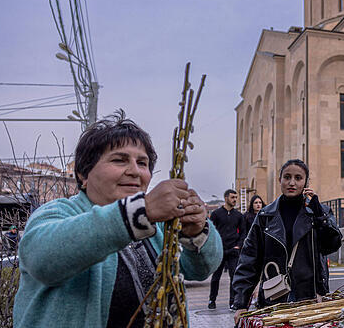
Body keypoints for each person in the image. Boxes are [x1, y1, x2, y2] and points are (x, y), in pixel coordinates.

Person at [12, 111, 222, 328]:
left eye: (142, 163)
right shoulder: (60, 213)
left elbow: (199, 270)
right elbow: (43, 260)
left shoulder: (157, 226)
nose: (135, 171)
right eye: (119, 160)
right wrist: (140, 211)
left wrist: (195, 232)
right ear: (83, 175)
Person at [232, 159, 342, 323]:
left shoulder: (318, 212)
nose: (292, 183)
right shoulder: (265, 216)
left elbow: (331, 245)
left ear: (306, 182)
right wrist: (241, 303)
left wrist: (320, 216)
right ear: (280, 179)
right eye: (287, 177)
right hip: (274, 297)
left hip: (310, 297)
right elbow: (249, 259)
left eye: (298, 178)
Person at [208, 188, 245, 309]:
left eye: (236, 197)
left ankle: (232, 302)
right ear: (226, 198)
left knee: (234, 277)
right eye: (232, 197)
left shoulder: (238, 215)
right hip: (220, 251)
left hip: (233, 250)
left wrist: (238, 245)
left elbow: (243, 233)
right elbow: (211, 231)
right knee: (216, 277)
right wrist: (215, 246)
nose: (235, 200)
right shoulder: (216, 214)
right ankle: (212, 300)